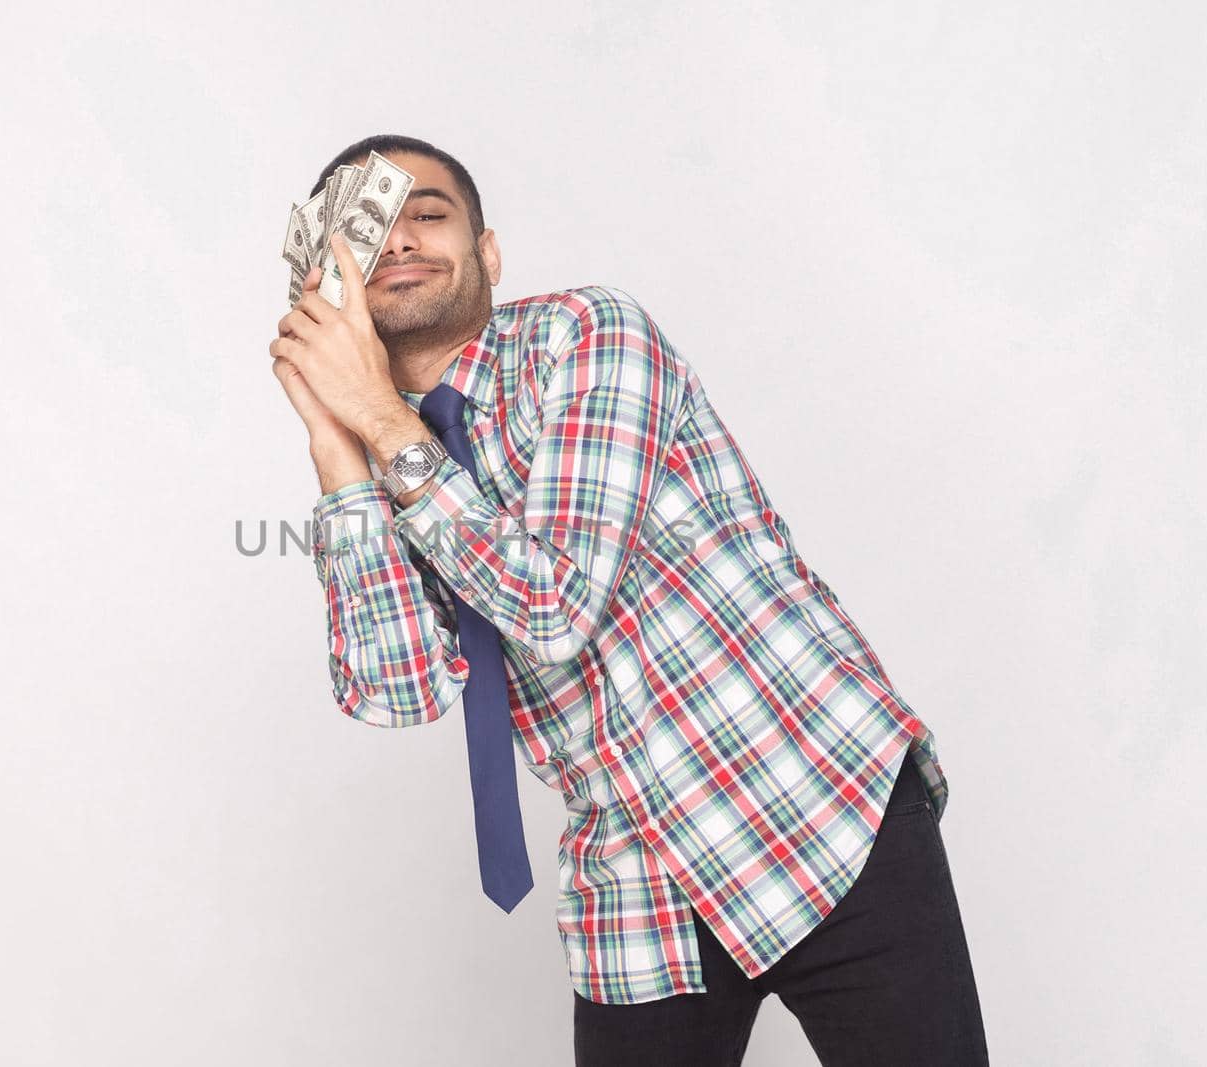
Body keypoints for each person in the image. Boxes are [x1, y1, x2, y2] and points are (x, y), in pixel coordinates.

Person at [269, 133, 989, 1066]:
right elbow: (393, 688)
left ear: (488, 253)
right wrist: (335, 450)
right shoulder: (383, 452)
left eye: (430, 214)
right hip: (635, 884)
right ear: (331, 282)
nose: (400, 240)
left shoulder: (588, 333)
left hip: (814, 806)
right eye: (372, 228)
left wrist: (378, 422)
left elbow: (554, 608)